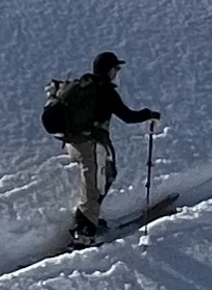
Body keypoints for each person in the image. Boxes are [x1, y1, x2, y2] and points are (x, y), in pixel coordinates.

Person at [40, 54, 160, 239]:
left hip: (75, 142)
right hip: (90, 144)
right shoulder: (105, 91)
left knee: (107, 174)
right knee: (95, 184)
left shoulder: (84, 84)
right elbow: (127, 116)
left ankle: (89, 217)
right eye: (116, 69)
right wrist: (149, 114)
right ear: (109, 70)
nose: (117, 72)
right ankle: (85, 231)